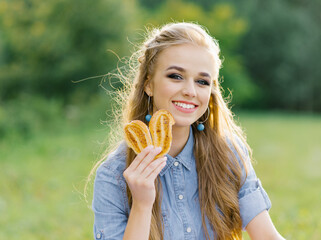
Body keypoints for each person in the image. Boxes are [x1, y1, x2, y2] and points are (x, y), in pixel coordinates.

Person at [91, 22, 285, 240]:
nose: (190, 91)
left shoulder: (229, 153)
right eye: (175, 76)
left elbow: (267, 236)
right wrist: (142, 205)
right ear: (148, 85)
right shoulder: (113, 176)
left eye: (202, 81)